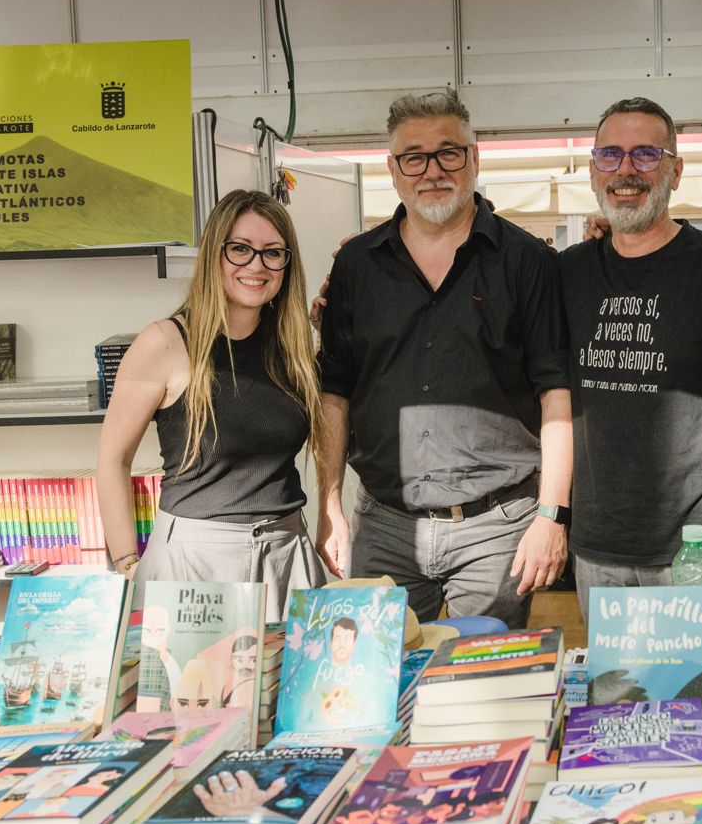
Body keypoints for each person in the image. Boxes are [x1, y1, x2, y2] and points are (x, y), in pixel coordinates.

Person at [316, 92, 571, 628]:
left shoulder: (527, 262)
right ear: (393, 169)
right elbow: (333, 391)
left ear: (474, 159)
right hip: (384, 526)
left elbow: (555, 393)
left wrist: (551, 514)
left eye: (448, 153)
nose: (432, 171)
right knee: (380, 685)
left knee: (487, 688)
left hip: (498, 528)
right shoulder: (356, 267)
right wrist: (330, 503)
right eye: (414, 157)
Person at [559, 97, 702, 649]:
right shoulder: (567, 273)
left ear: (675, 170)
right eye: (610, 155)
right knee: (621, 711)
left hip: (699, 550)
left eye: (645, 154)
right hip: (599, 548)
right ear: (594, 170)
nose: (625, 170)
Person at [95, 189, 324, 625]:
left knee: (289, 693)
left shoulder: (294, 349)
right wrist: (127, 562)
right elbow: (112, 459)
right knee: (197, 693)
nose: (256, 265)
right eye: (240, 249)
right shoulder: (164, 342)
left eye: (272, 253)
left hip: (286, 556)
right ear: (214, 254)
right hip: (194, 564)